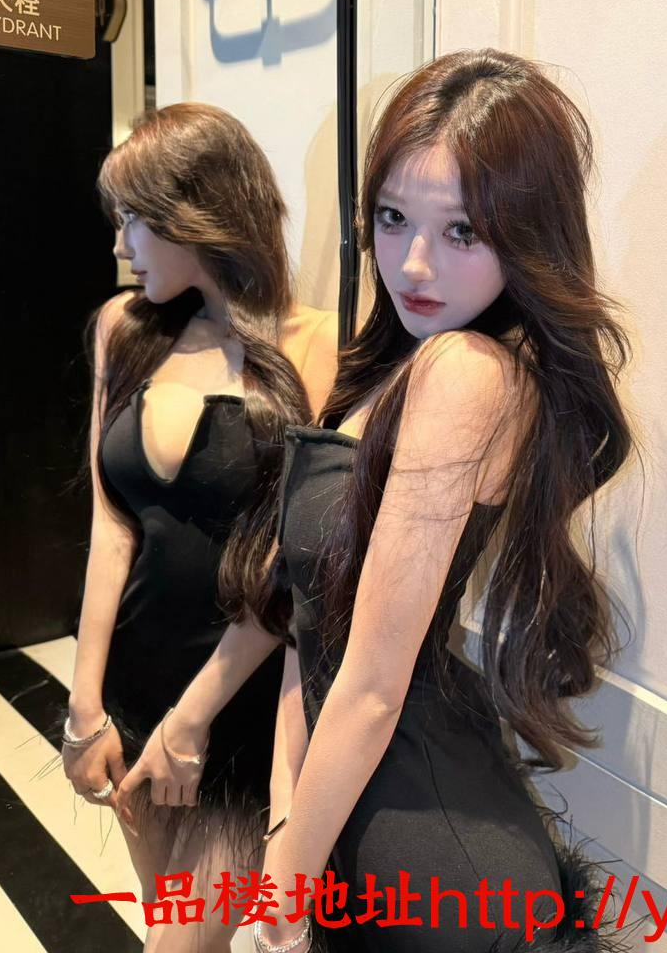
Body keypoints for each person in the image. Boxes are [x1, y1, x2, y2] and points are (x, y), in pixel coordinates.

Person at [249, 47, 637, 951]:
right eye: (392, 219)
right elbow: (313, 623)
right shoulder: (398, 363)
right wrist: (286, 832)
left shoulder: (466, 371)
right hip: (355, 816)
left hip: (429, 865)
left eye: (462, 231)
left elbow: (373, 687)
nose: (412, 263)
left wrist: (278, 905)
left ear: (528, 236)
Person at [61, 102, 338, 951]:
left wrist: (193, 717)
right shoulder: (125, 330)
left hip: (239, 705)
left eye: (134, 220)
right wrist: (84, 704)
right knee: (169, 919)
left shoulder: (316, 345)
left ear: (197, 214)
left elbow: (295, 560)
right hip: (137, 691)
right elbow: (112, 527)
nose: (121, 246)